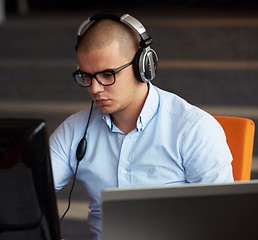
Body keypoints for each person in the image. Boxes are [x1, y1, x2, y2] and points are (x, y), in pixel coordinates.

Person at [49, 12, 233, 240]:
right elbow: (25, 196)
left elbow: (223, 223)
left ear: (143, 66)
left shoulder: (194, 129)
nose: (95, 89)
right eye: (86, 76)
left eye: (107, 74)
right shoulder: (74, 130)